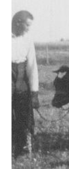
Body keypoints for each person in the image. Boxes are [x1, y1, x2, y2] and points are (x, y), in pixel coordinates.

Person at [12, 10, 40, 157]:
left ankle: (22, 149)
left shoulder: (28, 39)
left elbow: (32, 66)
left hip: (21, 77)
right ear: (18, 23)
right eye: (27, 25)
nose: (29, 29)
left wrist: (34, 93)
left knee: (24, 114)